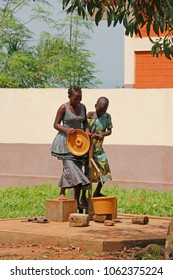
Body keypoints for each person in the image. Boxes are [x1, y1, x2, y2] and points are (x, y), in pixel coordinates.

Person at [51, 86, 90, 210]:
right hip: (65, 142)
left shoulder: (83, 107)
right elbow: (55, 124)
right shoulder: (63, 107)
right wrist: (67, 130)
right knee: (70, 166)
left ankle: (75, 200)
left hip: (79, 143)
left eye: (80, 98)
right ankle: (65, 191)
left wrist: (87, 132)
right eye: (75, 99)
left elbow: (85, 122)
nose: (78, 101)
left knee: (75, 167)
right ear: (69, 97)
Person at [81, 96, 113, 202]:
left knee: (105, 170)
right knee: (87, 172)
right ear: (95, 106)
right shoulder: (90, 115)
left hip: (98, 149)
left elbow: (109, 131)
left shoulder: (107, 117)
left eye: (104, 110)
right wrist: (88, 134)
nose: (102, 112)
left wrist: (102, 134)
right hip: (87, 149)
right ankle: (83, 196)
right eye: (100, 110)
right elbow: (83, 128)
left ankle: (97, 191)